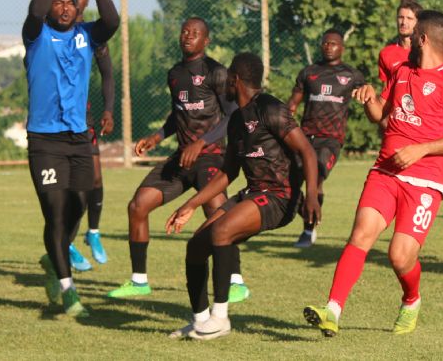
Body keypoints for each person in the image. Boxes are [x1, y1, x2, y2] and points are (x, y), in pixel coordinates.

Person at [304, 10, 443, 337]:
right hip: (384, 171)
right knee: (362, 234)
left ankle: (411, 299)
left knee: (399, 256)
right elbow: (380, 113)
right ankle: (332, 310)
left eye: (413, 33)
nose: (406, 38)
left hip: (424, 182)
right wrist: (368, 98)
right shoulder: (402, 71)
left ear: (422, 38)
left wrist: (421, 149)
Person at [166, 53, 321, 340]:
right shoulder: (236, 119)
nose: (223, 80)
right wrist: (190, 204)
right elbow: (227, 173)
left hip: (279, 197)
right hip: (251, 192)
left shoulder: (272, 109)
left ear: (235, 79)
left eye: (227, 76)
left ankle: (220, 318)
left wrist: (310, 196)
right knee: (196, 246)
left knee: (221, 232)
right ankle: (200, 321)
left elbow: (307, 151)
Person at [107, 17, 248, 302]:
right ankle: (139, 281)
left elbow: (234, 115)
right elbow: (178, 115)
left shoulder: (216, 73)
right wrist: (156, 138)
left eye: (195, 33)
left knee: (219, 216)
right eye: (185, 31)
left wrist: (202, 142)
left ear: (205, 41)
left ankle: (236, 282)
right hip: (182, 157)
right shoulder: (175, 73)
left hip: (211, 158)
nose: (188, 36)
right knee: (138, 205)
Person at [24, 0, 119, 317]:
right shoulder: (36, 36)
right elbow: (35, 7)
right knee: (55, 208)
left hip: (79, 139)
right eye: (58, 2)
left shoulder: (87, 36)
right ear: (49, 7)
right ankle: (68, 290)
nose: (64, 7)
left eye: (70, 3)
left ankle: (54, 258)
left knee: (80, 202)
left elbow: (112, 21)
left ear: (79, 9)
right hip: (45, 141)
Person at [287, 29, 366, 247]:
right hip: (304, 138)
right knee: (290, 183)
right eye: (325, 43)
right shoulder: (309, 72)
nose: (328, 47)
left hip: (330, 140)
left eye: (333, 44)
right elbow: (293, 103)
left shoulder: (352, 75)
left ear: (342, 48)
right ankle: (303, 211)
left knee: (316, 179)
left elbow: (368, 98)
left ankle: (307, 232)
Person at [65, 39, 115, 270]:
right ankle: (65, 243)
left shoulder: (91, 35)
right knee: (72, 188)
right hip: (56, 122)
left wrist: (108, 110)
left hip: (84, 121)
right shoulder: (51, 31)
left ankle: (93, 232)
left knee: (95, 178)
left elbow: (107, 74)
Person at [377, 0, 423, 90]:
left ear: (418, 22)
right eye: (400, 17)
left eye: (409, 18)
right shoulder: (386, 53)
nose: (403, 22)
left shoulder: (427, 52)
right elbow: (386, 90)